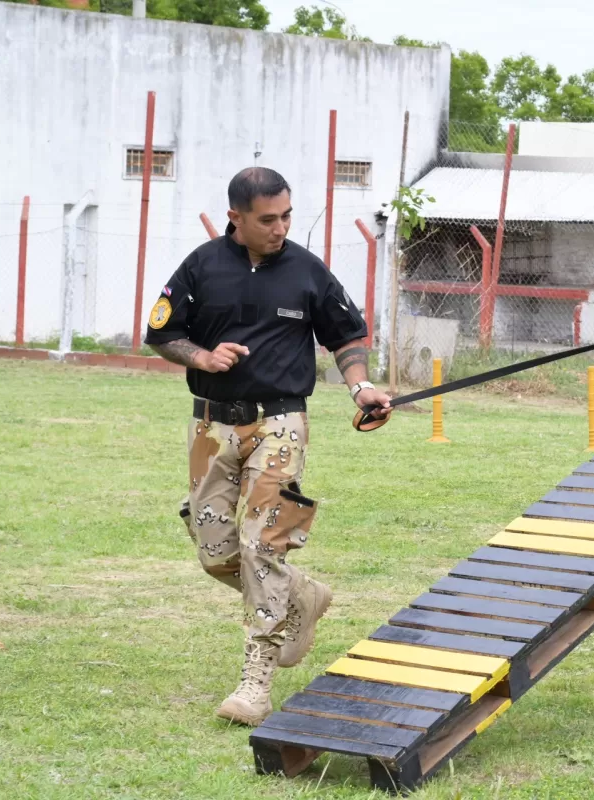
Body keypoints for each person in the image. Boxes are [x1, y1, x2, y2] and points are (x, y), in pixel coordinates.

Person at [145, 167, 391, 726]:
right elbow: (161, 333)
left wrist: (360, 386)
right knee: (215, 552)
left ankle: (255, 684)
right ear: (236, 217)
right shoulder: (201, 266)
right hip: (211, 427)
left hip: (280, 423)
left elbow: (346, 336)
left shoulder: (306, 270)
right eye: (267, 219)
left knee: (262, 547)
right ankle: (299, 593)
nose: (280, 228)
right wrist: (203, 357)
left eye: (286, 216)